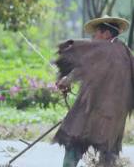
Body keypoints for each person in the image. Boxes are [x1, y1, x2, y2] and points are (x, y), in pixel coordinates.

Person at [54, 15, 134, 167]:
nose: (93, 37)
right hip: (115, 118)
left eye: (96, 32)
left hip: (92, 112)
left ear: (106, 34)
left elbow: (81, 67)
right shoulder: (126, 54)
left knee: (74, 143)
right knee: (108, 155)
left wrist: (65, 81)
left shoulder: (101, 50)